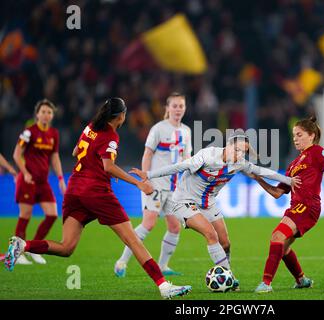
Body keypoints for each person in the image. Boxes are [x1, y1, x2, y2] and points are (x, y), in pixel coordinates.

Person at [4, 98, 191, 299]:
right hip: (96, 192)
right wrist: (137, 183)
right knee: (133, 240)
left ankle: (24, 245)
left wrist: (98, 168)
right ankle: (164, 287)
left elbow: (77, 152)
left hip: (75, 189)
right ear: (121, 116)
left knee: (67, 247)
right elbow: (108, 166)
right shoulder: (111, 136)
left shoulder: (91, 126)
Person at [131, 132, 301, 290]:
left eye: (244, 152)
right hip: (184, 201)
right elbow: (179, 166)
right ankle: (229, 278)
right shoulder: (207, 156)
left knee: (225, 243)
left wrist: (288, 180)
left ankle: (226, 275)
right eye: (237, 150)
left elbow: (262, 171)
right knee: (211, 234)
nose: (240, 155)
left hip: (209, 204)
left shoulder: (239, 163)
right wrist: (149, 174)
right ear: (227, 145)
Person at [251, 116, 324, 293]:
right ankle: (301, 280)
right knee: (283, 248)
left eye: (299, 135)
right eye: (294, 135)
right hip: (295, 207)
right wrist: (259, 179)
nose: (295, 139)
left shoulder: (317, 151)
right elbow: (277, 193)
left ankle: (266, 284)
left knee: (277, 236)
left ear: (311, 135)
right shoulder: (293, 165)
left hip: (308, 207)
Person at [115, 93, 191, 278]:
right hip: (156, 184)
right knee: (148, 224)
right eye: (175, 105)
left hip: (173, 188)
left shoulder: (187, 131)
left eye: (181, 105)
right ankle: (122, 261)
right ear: (167, 108)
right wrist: (146, 180)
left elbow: (187, 159)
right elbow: (147, 154)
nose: (178, 109)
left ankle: (163, 265)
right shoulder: (159, 129)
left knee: (174, 227)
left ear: (185, 108)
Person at [12, 99, 66, 265]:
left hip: (43, 182)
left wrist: (60, 179)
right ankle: (17, 252)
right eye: (43, 112)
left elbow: (55, 157)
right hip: (27, 180)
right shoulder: (29, 132)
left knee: (52, 215)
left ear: (52, 116)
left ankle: (33, 248)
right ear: (37, 115)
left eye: (49, 112)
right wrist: (26, 173)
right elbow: (16, 154)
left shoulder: (54, 134)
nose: (46, 115)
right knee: (25, 215)